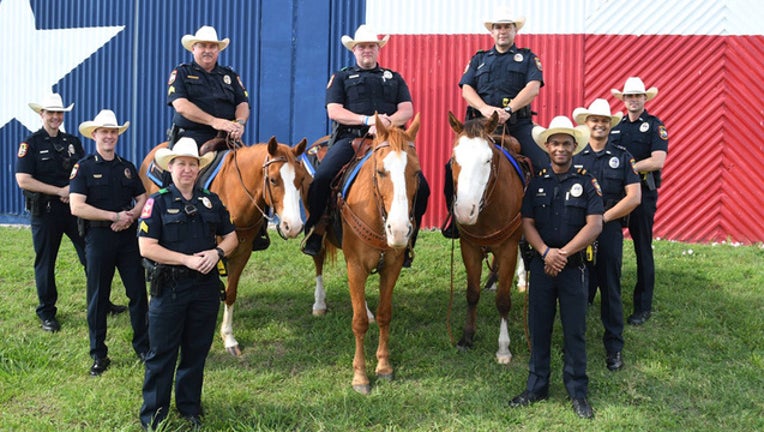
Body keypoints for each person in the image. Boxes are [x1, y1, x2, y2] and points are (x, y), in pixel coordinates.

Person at [301, 24, 430, 267]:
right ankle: (316, 231)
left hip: (390, 143)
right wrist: (368, 120)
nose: (367, 50)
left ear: (378, 49)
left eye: (371, 46)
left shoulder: (394, 77)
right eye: (362, 46)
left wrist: (386, 122)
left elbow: (407, 110)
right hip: (351, 140)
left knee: (422, 187)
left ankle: (409, 240)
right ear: (354, 50)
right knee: (322, 178)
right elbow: (334, 111)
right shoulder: (341, 77)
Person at [138, 137, 237, 430]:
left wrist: (217, 252)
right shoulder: (157, 202)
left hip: (205, 290)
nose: (187, 170)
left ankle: (189, 407)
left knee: (196, 351)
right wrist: (186, 260)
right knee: (162, 355)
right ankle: (154, 414)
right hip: (169, 289)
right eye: (181, 164)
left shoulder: (211, 201)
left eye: (192, 164)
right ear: (171, 168)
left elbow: (232, 237)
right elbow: (147, 247)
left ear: (199, 169)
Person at [509, 116, 602, 419]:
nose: (560, 148)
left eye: (566, 144)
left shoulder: (587, 183)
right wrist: (546, 252)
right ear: (547, 147)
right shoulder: (536, 184)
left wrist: (562, 253)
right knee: (539, 330)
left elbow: (595, 224)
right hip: (542, 268)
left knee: (575, 331)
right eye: (555, 143)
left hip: (573, 269)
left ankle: (577, 392)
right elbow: (527, 223)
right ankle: (537, 387)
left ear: (574, 147)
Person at [15, 94, 125, 333]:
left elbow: (83, 172)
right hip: (45, 212)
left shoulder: (73, 141)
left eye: (59, 113)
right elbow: (23, 180)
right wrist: (59, 191)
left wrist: (72, 192)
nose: (55, 117)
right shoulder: (31, 143)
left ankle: (102, 303)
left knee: (91, 259)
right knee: (46, 263)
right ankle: (47, 312)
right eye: (50, 113)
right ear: (41, 114)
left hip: (74, 211)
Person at [443, 7, 545, 237]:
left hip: (517, 124)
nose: (502, 31)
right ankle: (454, 217)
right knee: (450, 167)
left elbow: (533, 87)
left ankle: (539, 222)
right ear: (492, 32)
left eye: (507, 27)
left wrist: (509, 109)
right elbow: (466, 89)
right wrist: (484, 109)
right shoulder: (479, 59)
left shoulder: (528, 58)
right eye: (498, 27)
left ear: (514, 30)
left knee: (543, 164)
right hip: (480, 127)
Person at [167, 25, 267, 251]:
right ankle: (165, 221)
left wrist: (239, 123)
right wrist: (215, 121)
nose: (207, 50)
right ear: (194, 48)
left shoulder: (229, 75)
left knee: (256, 174)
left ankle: (256, 228)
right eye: (203, 46)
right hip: (191, 137)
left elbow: (242, 104)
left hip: (227, 137)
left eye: (212, 46)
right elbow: (181, 106)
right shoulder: (181, 73)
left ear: (218, 50)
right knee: (173, 174)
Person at [69, 109, 149, 376]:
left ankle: (143, 346)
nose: (109, 136)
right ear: (95, 135)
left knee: (138, 294)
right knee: (98, 298)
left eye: (113, 132)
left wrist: (130, 217)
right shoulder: (84, 167)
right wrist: (113, 215)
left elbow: (142, 198)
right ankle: (98, 354)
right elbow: (76, 206)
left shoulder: (126, 167)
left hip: (127, 238)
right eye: (105, 132)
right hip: (99, 238)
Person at [572, 99, 641, 371]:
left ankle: (614, 348)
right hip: (579, 233)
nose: (599, 124)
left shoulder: (623, 156)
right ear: (587, 124)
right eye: (594, 120)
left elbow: (634, 197)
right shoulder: (576, 158)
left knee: (610, 289)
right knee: (577, 289)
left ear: (609, 125)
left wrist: (602, 220)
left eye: (604, 120)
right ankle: (574, 344)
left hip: (609, 231)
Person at [610, 77, 669, 326]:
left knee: (642, 247)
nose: (633, 100)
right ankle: (598, 297)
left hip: (643, 194)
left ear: (645, 99)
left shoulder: (655, 126)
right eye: (629, 96)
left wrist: (627, 169)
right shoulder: (615, 127)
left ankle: (642, 306)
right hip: (616, 196)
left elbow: (657, 161)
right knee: (608, 246)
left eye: (638, 96)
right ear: (623, 100)